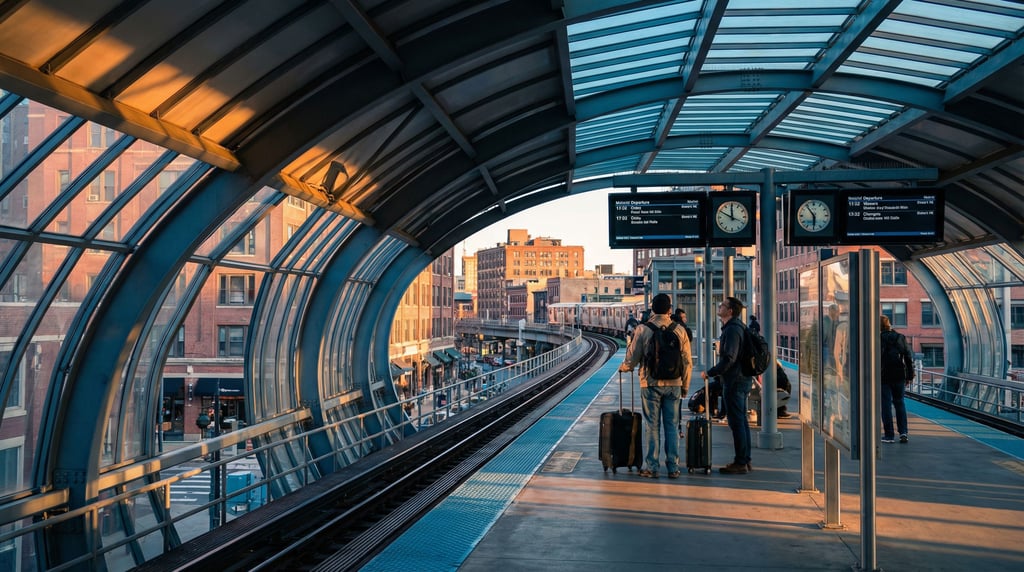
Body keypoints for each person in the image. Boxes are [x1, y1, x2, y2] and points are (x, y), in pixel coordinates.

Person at [619, 293, 692, 479]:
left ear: (652, 309)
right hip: (674, 384)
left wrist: (625, 368)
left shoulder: (643, 329)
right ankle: (673, 467)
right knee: (672, 425)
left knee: (652, 426)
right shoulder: (679, 330)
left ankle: (651, 466)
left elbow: (633, 357)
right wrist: (685, 386)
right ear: (669, 310)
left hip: (650, 383)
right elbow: (687, 362)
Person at [702, 297, 753, 474]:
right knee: (741, 421)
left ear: (730, 311)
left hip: (735, 380)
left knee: (736, 422)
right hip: (741, 379)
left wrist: (710, 372)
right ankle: (745, 459)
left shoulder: (732, 330)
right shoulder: (737, 327)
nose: (719, 306)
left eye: (723, 305)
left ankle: (740, 462)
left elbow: (729, 358)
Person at [880, 315, 914, 443]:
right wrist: (909, 376)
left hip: (883, 376)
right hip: (899, 374)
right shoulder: (900, 337)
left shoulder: (877, 338)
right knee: (900, 403)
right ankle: (903, 432)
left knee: (886, 405)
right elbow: (908, 358)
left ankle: (889, 435)